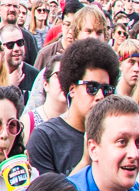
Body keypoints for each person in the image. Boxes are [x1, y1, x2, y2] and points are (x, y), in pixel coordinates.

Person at [28, 38, 120, 176]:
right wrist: (85, 162)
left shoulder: (114, 135)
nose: (100, 95)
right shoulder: (45, 138)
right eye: (92, 87)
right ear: (72, 89)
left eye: (106, 89)